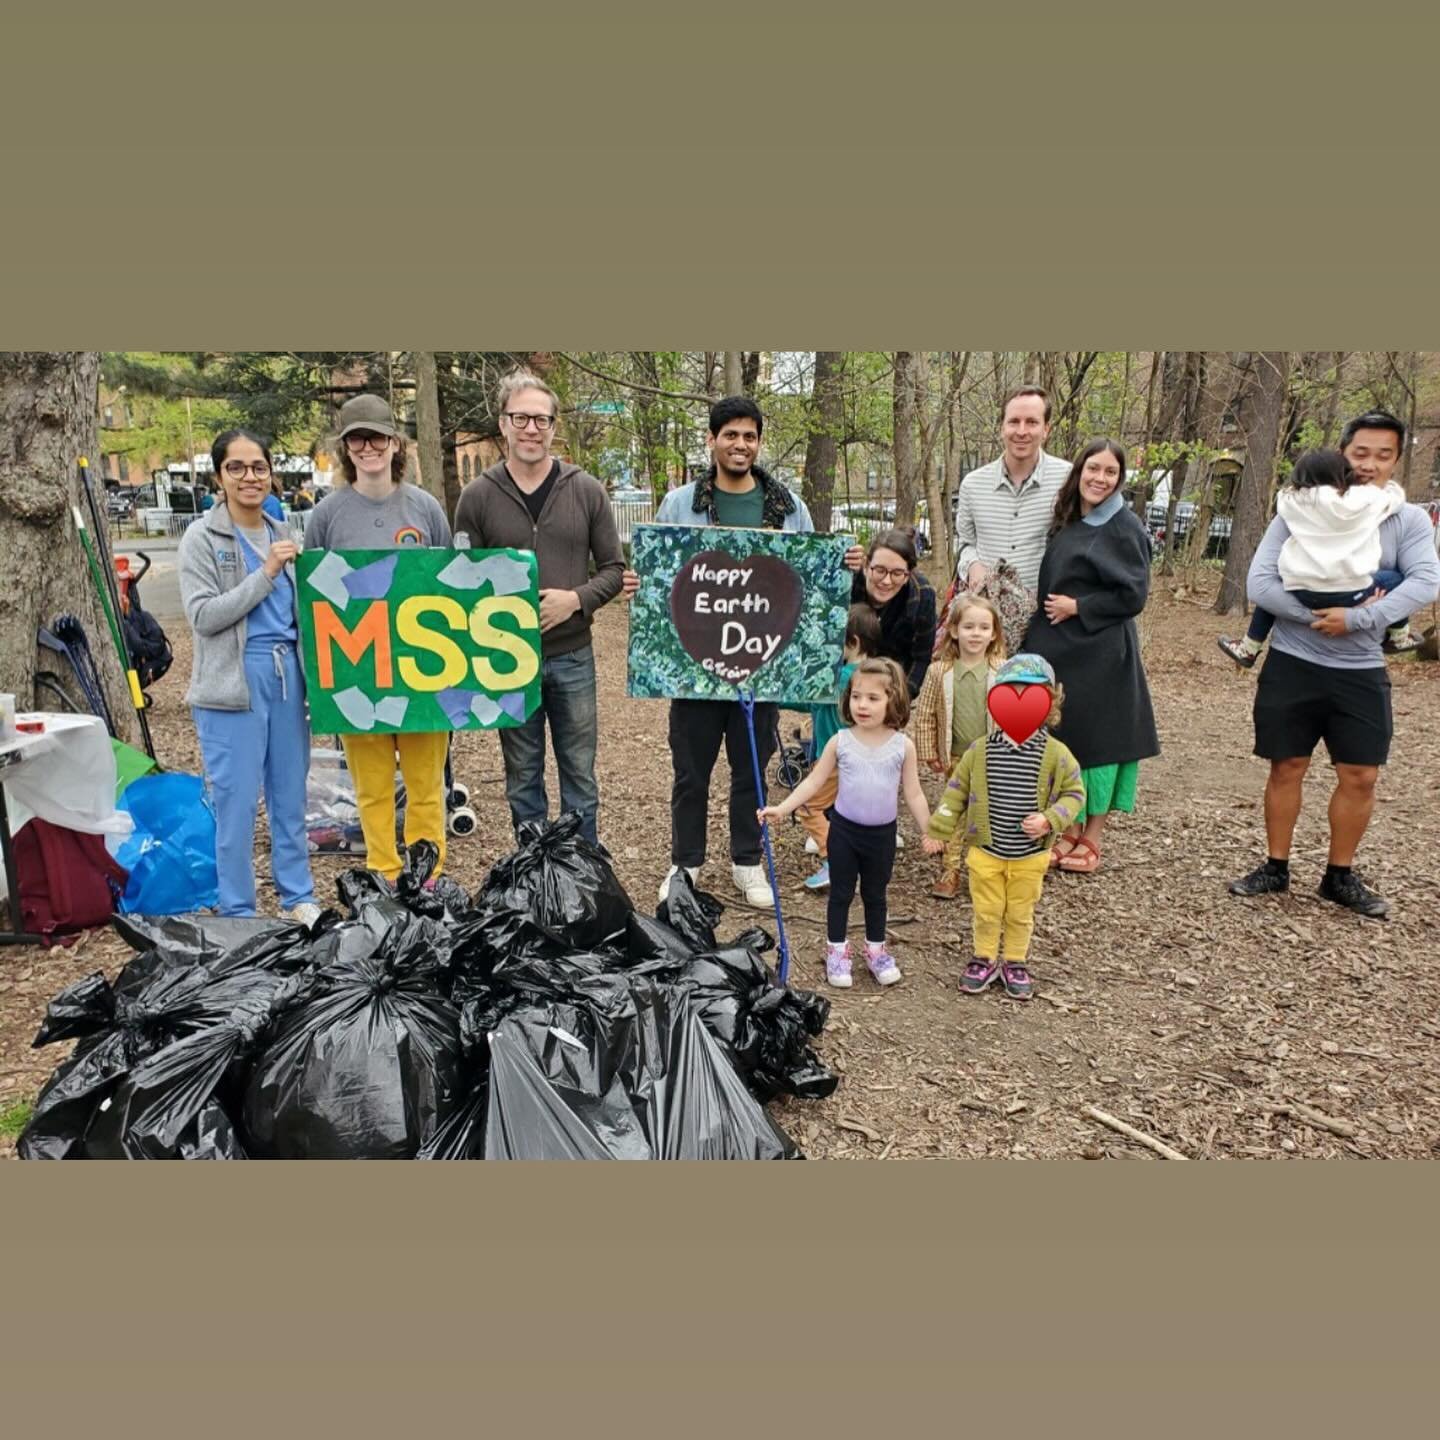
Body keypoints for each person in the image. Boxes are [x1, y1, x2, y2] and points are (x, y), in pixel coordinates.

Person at [620, 395, 864, 908]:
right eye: (730, 435)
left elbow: (808, 578)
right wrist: (637, 583)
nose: (740, 444)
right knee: (691, 770)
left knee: (751, 768)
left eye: (749, 436)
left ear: (758, 442)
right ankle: (685, 864)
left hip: (761, 666)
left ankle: (747, 861)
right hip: (694, 668)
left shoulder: (785, 507)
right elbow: (663, 579)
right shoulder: (679, 505)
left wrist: (844, 563)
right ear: (712, 441)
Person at [1229, 410, 1440, 918]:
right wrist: (1315, 616)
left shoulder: (1405, 519)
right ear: (1343, 454)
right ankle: (1275, 866)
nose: (1369, 465)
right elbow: (1259, 583)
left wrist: (1358, 620)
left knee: (1361, 774)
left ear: (1396, 461)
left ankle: (1338, 875)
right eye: (1360, 453)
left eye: (1383, 455)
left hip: (1362, 669)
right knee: (1287, 765)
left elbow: (1425, 580)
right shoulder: (1300, 509)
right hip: (1294, 661)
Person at [454, 371, 623, 846]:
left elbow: (613, 568)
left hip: (573, 657)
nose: (532, 428)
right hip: (509, 661)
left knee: (580, 780)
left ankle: (581, 876)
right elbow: (463, 581)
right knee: (523, 780)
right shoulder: (478, 497)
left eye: (541, 419)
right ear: (503, 424)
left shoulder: (585, 490)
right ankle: (533, 878)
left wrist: (577, 600)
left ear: (553, 426)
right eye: (521, 418)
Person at [304, 393, 454, 882]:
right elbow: (313, 598)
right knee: (371, 788)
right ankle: (384, 875)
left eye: (377, 436)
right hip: (357, 673)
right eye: (356, 438)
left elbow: (449, 588)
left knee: (426, 785)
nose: (368, 447)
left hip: (420, 671)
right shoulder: (326, 516)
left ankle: (426, 878)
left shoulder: (425, 508)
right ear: (346, 448)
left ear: (395, 443)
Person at [178, 428, 319, 925]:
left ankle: (298, 895)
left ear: (270, 474)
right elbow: (204, 616)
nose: (249, 477)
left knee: (289, 795)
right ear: (219, 477)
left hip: (286, 677)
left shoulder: (283, 534)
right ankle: (239, 910)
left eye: (258, 467)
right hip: (231, 686)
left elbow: (303, 614)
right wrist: (265, 577)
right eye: (235, 468)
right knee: (236, 803)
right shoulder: (202, 538)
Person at [1020, 439, 1160, 874]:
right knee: (1070, 741)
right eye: (1093, 469)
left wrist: (1079, 607)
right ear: (1079, 471)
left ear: (1120, 480)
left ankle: (1092, 839)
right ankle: (1068, 830)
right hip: (1063, 652)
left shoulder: (1123, 526)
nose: (1100, 479)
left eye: (1110, 473)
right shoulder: (1069, 519)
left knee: (1102, 746)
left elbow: (1133, 593)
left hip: (1101, 652)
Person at [759, 659, 936, 989]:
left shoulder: (902, 746)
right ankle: (837, 951)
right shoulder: (840, 741)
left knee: (876, 895)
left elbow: (914, 794)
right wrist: (782, 808)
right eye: (856, 696)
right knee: (840, 893)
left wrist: (930, 830)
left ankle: (875, 949)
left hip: (881, 836)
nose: (862, 705)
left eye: (873, 698)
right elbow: (813, 783)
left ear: (893, 700)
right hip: (844, 832)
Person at [926, 655, 1086, 1001]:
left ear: (1047, 704)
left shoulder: (1055, 754)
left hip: (1029, 856)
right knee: (986, 909)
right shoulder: (979, 752)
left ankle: (1015, 960)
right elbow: (956, 792)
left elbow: (1075, 793)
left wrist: (1050, 819)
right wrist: (938, 829)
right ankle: (983, 956)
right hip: (986, 851)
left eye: (1029, 695)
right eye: (1008, 694)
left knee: (1020, 910)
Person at [1217, 449, 1414, 666]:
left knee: (1268, 600)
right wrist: (1389, 487)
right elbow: (1394, 499)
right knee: (1396, 579)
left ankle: (1249, 647)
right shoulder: (1361, 501)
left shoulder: (1294, 502)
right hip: (1352, 592)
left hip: (1301, 591)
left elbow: (1283, 497)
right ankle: (1399, 637)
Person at [952, 385, 1072, 649]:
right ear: (1001, 427)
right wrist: (972, 565)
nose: (1021, 431)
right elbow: (964, 543)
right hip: (985, 624)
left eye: (1032, 422)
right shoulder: (973, 484)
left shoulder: (1067, 479)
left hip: (1046, 622)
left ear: (1046, 429)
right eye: (1014, 421)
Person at [912, 593, 1006, 898]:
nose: (975, 634)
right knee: (953, 812)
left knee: (988, 813)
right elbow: (925, 714)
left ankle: (987, 871)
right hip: (955, 757)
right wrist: (929, 752)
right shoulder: (940, 671)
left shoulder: (1003, 672)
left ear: (993, 633)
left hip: (992, 759)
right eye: (968, 627)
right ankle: (950, 871)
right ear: (954, 630)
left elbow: (1015, 716)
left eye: (983, 627)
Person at [796, 602, 882, 892]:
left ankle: (833, 861)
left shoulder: (839, 678)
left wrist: (770, 696)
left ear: (852, 642)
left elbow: (808, 697)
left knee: (808, 806)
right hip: (862, 757)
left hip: (832, 759)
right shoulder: (874, 676)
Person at [850, 526, 937, 699]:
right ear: (867, 566)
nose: (886, 581)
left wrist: (901, 698)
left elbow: (920, 658)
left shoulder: (922, 596)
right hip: (847, 679)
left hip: (892, 679)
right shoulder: (845, 584)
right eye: (880, 570)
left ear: (907, 576)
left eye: (897, 573)